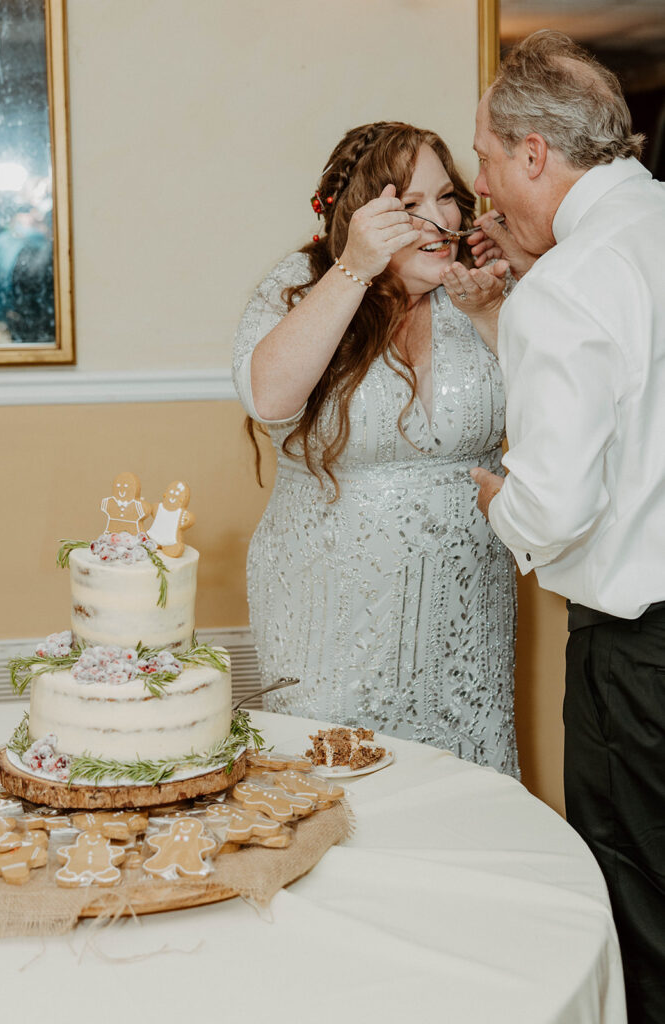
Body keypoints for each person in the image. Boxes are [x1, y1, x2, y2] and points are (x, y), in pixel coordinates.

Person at [470, 30, 665, 1023]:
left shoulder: (572, 284)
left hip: (639, 664)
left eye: (486, 159)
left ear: (534, 154)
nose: (484, 185)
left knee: (636, 899)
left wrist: (497, 502)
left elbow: (552, 507)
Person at [233, 121, 519, 775]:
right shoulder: (302, 283)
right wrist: (356, 269)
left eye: (445, 197)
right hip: (327, 606)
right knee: (334, 787)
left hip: (462, 611)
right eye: (406, 206)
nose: (436, 219)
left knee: (459, 787)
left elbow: (559, 405)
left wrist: (490, 315)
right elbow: (269, 397)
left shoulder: (478, 288)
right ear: (360, 218)